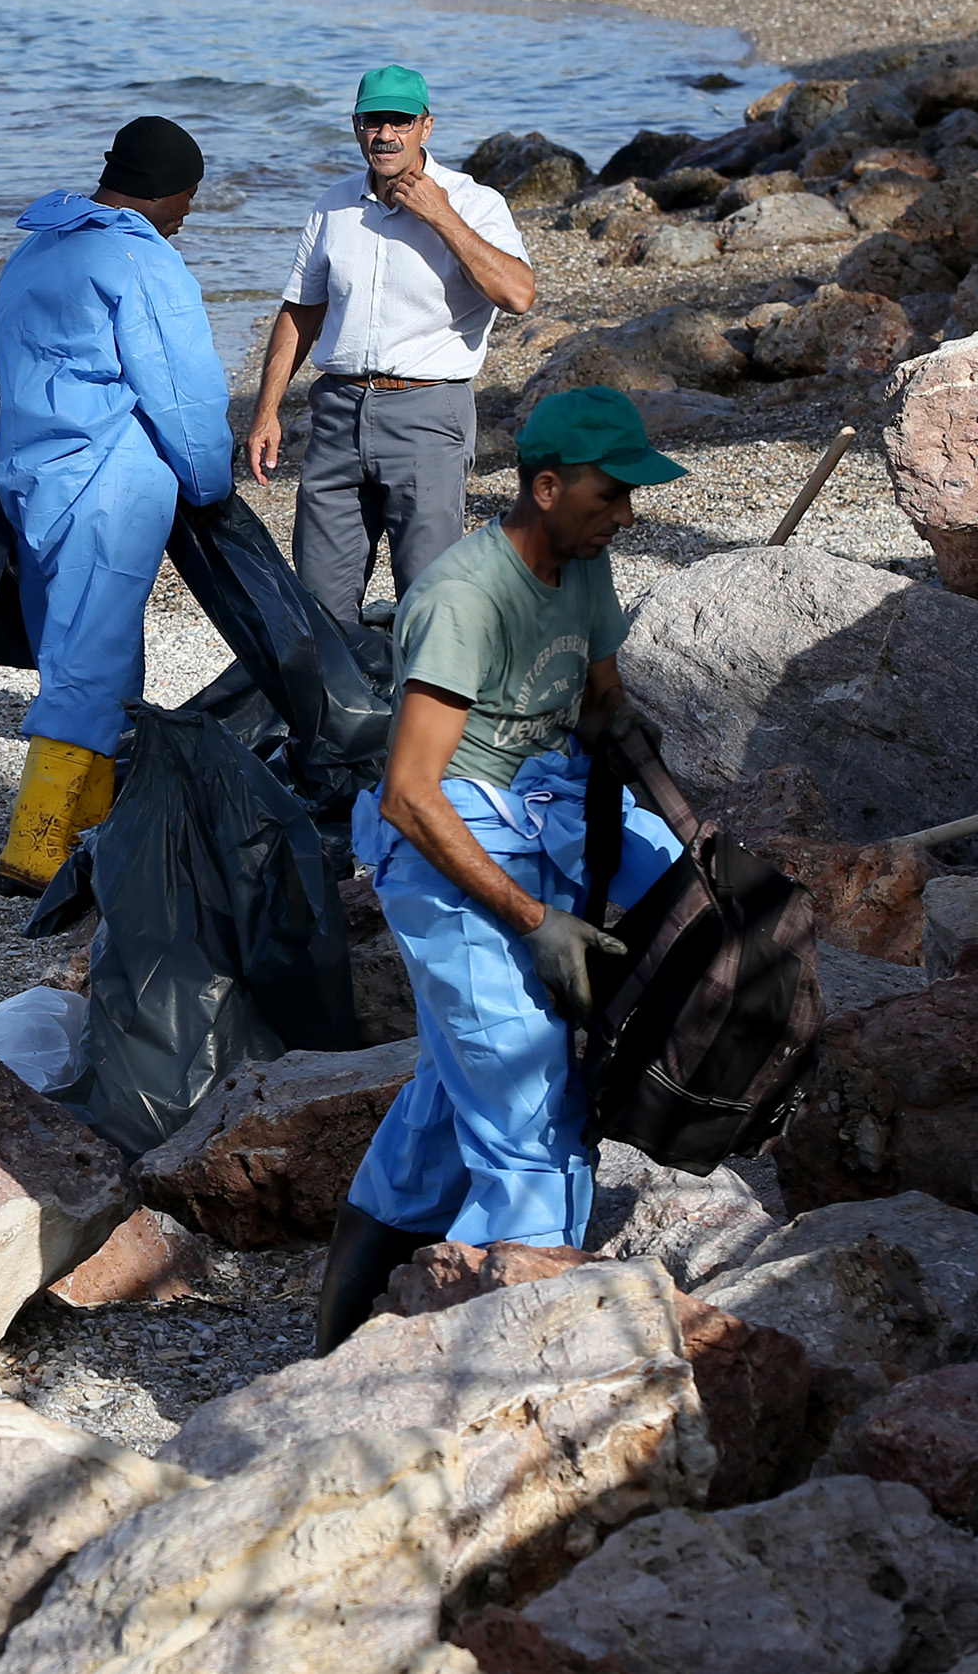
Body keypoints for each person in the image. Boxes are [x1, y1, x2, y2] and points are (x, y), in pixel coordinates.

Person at [316, 386, 696, 1349]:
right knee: (533, 1109)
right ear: (546, 487)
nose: (625, 517)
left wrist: (663, 794)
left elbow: (600, 705)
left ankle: (335, 1341)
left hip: (535, 812)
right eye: (610, 496)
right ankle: (520, 1354)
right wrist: (536, 922)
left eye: (630, 498)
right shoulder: (462, 601)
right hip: (444, 848)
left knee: (448, 1101)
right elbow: (409, 795)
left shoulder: (582, 565)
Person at [0, 115, 233, 889]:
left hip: (29, 470)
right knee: (94, 658)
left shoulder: (39, 246)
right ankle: (37, 847)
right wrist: (209, 485)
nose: (187, 214)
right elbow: (183, 391)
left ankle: (92, 826)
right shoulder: (138, 258)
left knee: (70, 648)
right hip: (107, 479)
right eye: (188, 198)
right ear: (163, 193)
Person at [243, 65, 535, 654]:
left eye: (400, 121)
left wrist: (440, 214)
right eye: (373, 121)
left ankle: (424, 712)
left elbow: (518, 295)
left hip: (428, 413)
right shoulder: (333, 206)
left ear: (426, 126)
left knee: (431, 600)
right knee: (319, 604)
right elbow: (300, 312)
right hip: (337, 413)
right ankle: (339, 712)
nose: (385, 135)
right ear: (356, 126)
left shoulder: (474, 202)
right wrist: (266, 410)